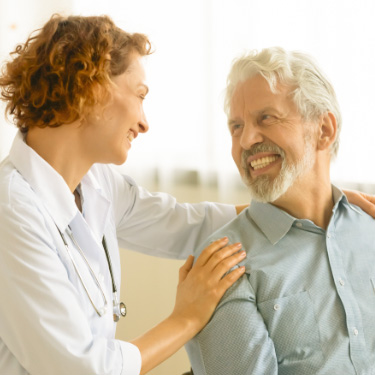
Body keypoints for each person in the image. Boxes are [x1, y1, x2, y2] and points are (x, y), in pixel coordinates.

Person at [0, 14, 250, 375]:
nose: (145, 122)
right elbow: (85, 369)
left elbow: (187, 224)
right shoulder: (12, 212)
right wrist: (187, 317)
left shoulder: (97, 182)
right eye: (139, 95)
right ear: (91, 87)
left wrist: (308, 204)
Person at [186, 47, 375, 375]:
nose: (246, 141)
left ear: (324, 130)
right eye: (236, 126)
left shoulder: (368, 228)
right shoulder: (223, 267)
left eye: (266, 118)